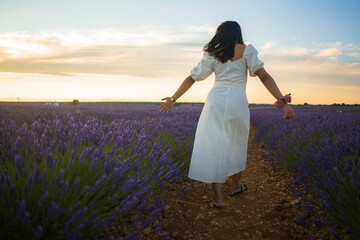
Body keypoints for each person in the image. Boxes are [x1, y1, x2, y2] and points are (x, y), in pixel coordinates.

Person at [158, 21, 295, 209]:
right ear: (238, 33)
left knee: (214, 144)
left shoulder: (214, 52)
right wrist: (283, 102)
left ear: (219, 34)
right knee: (237, 142)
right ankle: (235, 186)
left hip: (216, 100)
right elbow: (265, 77)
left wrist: (172, 99)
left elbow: (192, 78)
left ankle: (218, 198)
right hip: (238, 101)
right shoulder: (247, 51)